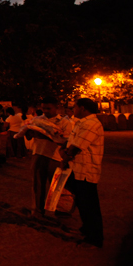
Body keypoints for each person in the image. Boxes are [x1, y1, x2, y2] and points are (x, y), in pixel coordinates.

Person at [60, 98, 104, 248]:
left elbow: (77, 146)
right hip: (78, 169)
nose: (73, 110)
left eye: (75, 107)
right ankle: (87, 229)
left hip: (86, 170)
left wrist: (64, 157)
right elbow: (71, 143)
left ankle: (95, 237)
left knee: (90, 204)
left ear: (83, 108)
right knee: (82, 202)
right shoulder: (82, 123)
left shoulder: (91, 124)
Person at [28, 97, 73, 216]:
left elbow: (67, 141)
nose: (46, 111)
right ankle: (37, 210)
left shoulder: (64, 122)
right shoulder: (37, 120)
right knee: (37, 185)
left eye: (49, 108)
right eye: (43, 108)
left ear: (57, 108)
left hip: (56, 157)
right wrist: (30, 132)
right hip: (38, 153)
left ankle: (56, 211)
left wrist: (49, 136)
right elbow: (28, 136)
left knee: (57, 186)